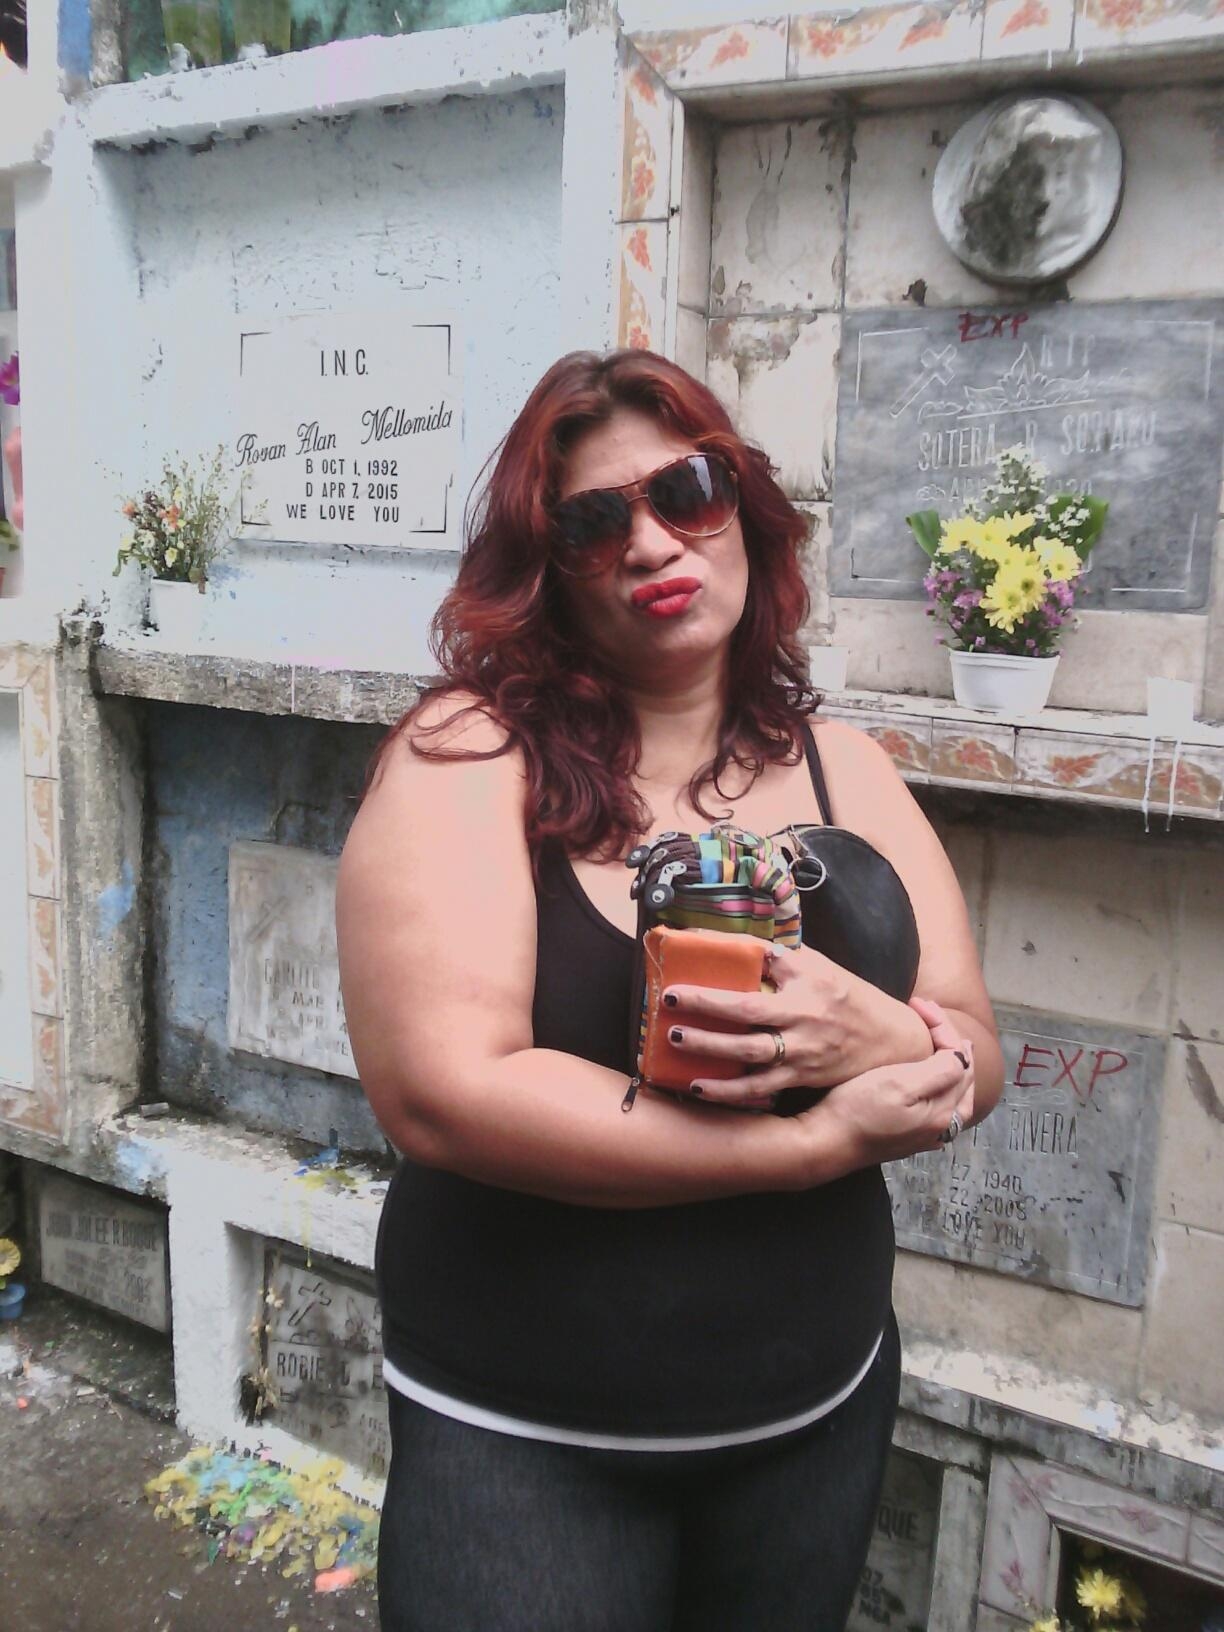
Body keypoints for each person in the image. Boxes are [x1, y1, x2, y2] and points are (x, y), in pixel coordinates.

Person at [336, 349, 1004, 1631]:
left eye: (686, 492)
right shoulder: (469, 755)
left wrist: (884, 1038)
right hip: (526, 1438)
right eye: (594, 524)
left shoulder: (845, 769)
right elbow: (446, 1094)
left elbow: (975, 1045)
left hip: (814, 1415)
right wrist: (808, 1147)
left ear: (743, 511)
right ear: (549, 572)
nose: (650, 543)